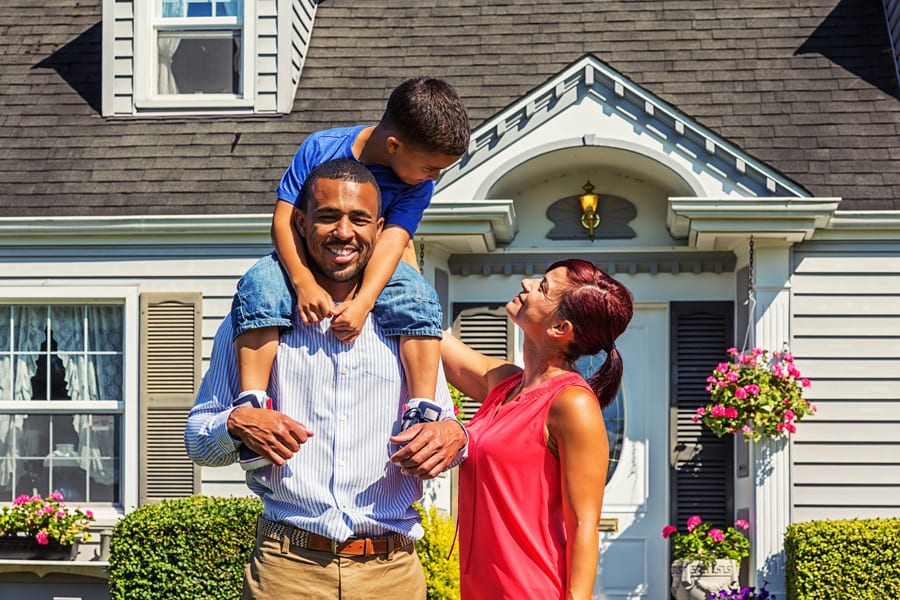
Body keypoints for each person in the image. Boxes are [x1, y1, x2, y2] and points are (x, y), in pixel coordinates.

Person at [185, 159, 468, 599]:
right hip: (286, 571)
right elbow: (198, 441)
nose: (343, 232)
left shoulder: (412, 325)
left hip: (391, 575)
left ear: (379, 229)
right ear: (300, 221)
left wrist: (453, 437)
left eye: (358, 219)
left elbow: (447, 431)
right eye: (328, 216)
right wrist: (236, 423)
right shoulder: (257, 318)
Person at [230, 77, 470, 468]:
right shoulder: (322, 148)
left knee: (416, 293)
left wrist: (363, 302)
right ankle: (253, 402)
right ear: (394, 146)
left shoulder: (418, 185)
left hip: (372, 265)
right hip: (302, 257)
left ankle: (422, 407)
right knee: (261, 282)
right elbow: (283, 221)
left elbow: (393, 241)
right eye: (431, 168)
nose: (434, 178)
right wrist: (302, 280)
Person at [440, 259, 634, 600]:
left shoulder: (571, 404)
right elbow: (431, 337)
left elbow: (584, 526)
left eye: (542, 287)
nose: (527, 283)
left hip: (531, 590)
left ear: (560, 328)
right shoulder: (505, 384)